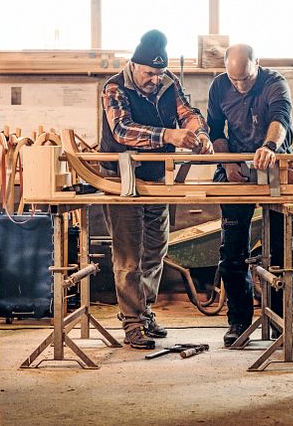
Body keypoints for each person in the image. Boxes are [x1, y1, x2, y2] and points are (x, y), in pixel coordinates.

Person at [101, 29, 213, 349]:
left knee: (155, 251)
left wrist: (198, 132)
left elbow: (187, 114)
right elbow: (122, 130)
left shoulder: (168, 84)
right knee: (128, 258)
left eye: (159, 73)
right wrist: (169, 136)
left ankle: (145, 311)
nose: (154, 79)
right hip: (123, 182)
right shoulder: (115, 87)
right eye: (149, 73)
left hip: (157, 181)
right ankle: (132, 322)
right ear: (134, 66)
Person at [206, 44, 293, 347]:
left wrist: (270, 147)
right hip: (237, 168)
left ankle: (279, 318)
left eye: (246, 79)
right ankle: (239, 320)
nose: (240, 85)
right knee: (232, 251)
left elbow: (280, 118)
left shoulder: (275, 82)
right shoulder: (219, 86)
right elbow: (215, 130)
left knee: (280, 249)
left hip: (274, 164)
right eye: (234, 80)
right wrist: (227, 162)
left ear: (257, 64)